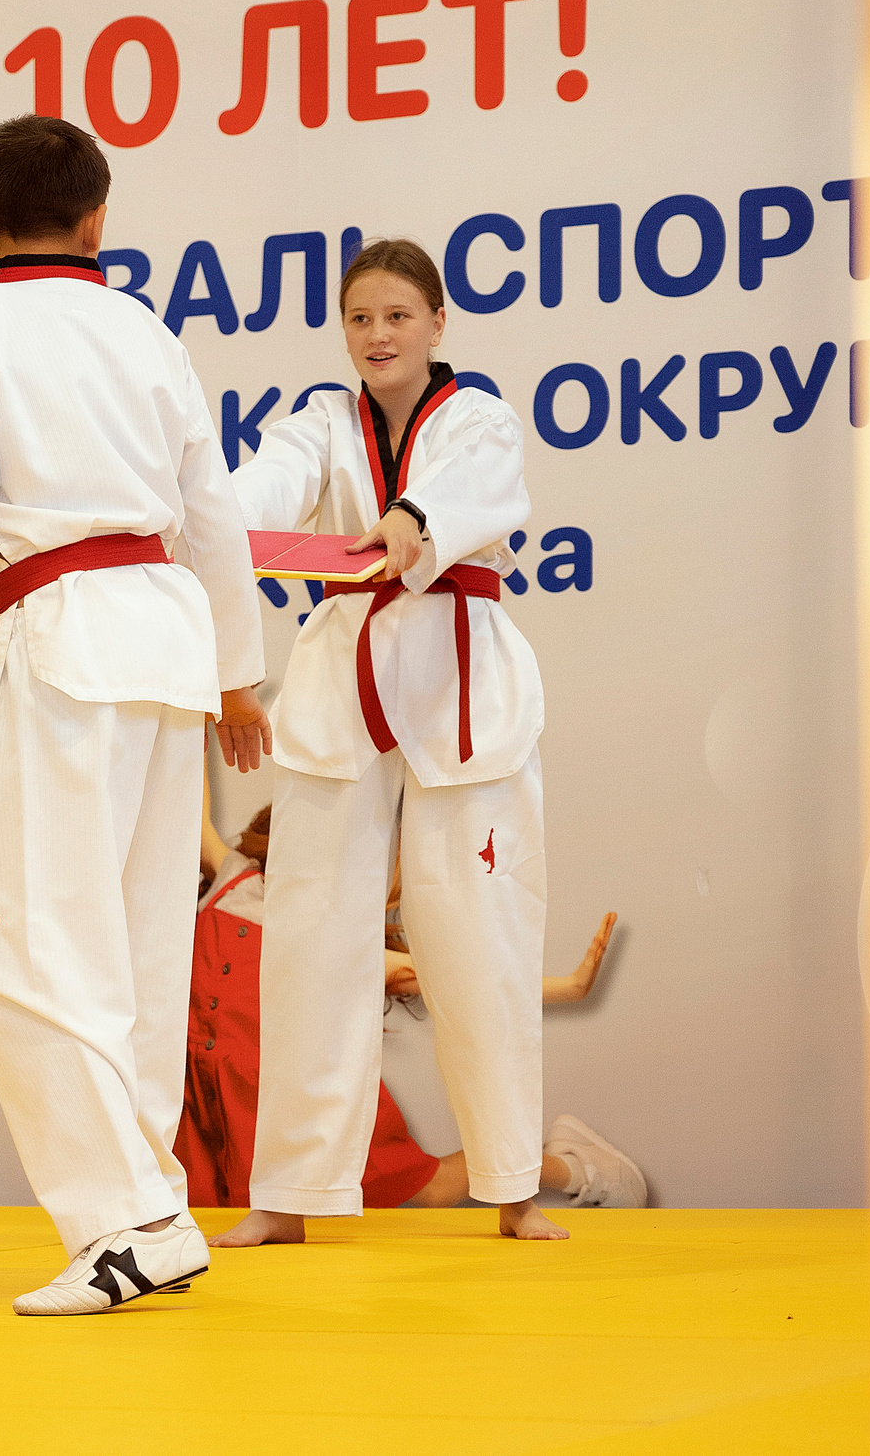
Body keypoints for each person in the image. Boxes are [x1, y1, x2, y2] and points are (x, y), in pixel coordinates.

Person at [0, 115, 271, 1317]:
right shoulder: (149, 331)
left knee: (19, 947)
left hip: (57, 639)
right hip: (164, 638)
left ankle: (129, 1221)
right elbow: (209, 512)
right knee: (135, 947)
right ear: (97, 219)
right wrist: (236, 674)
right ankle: (150, 1202)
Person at [216, 236, 565, 1247]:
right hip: (342, 681)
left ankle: (511, 1182)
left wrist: (413, 518)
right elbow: (264, 493)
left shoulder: (481, 419)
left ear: (436, 321)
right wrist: (209, 521)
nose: (377, 334)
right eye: (360, 317)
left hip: (463, 682)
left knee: (480, 932)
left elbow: (478, 494)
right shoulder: (319, 424)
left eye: (397, 315)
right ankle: (288, 1193)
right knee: (312, 941)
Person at [179, 802, 645, 1212]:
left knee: (427, 1188)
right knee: (212, 1206)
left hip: (280, 1094)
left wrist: (568, 987)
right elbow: (191, 806)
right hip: (198, 1093)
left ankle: (575, 1168)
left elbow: (457, 983)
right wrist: (203, 705)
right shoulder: (233, 880)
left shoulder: (339, 939)